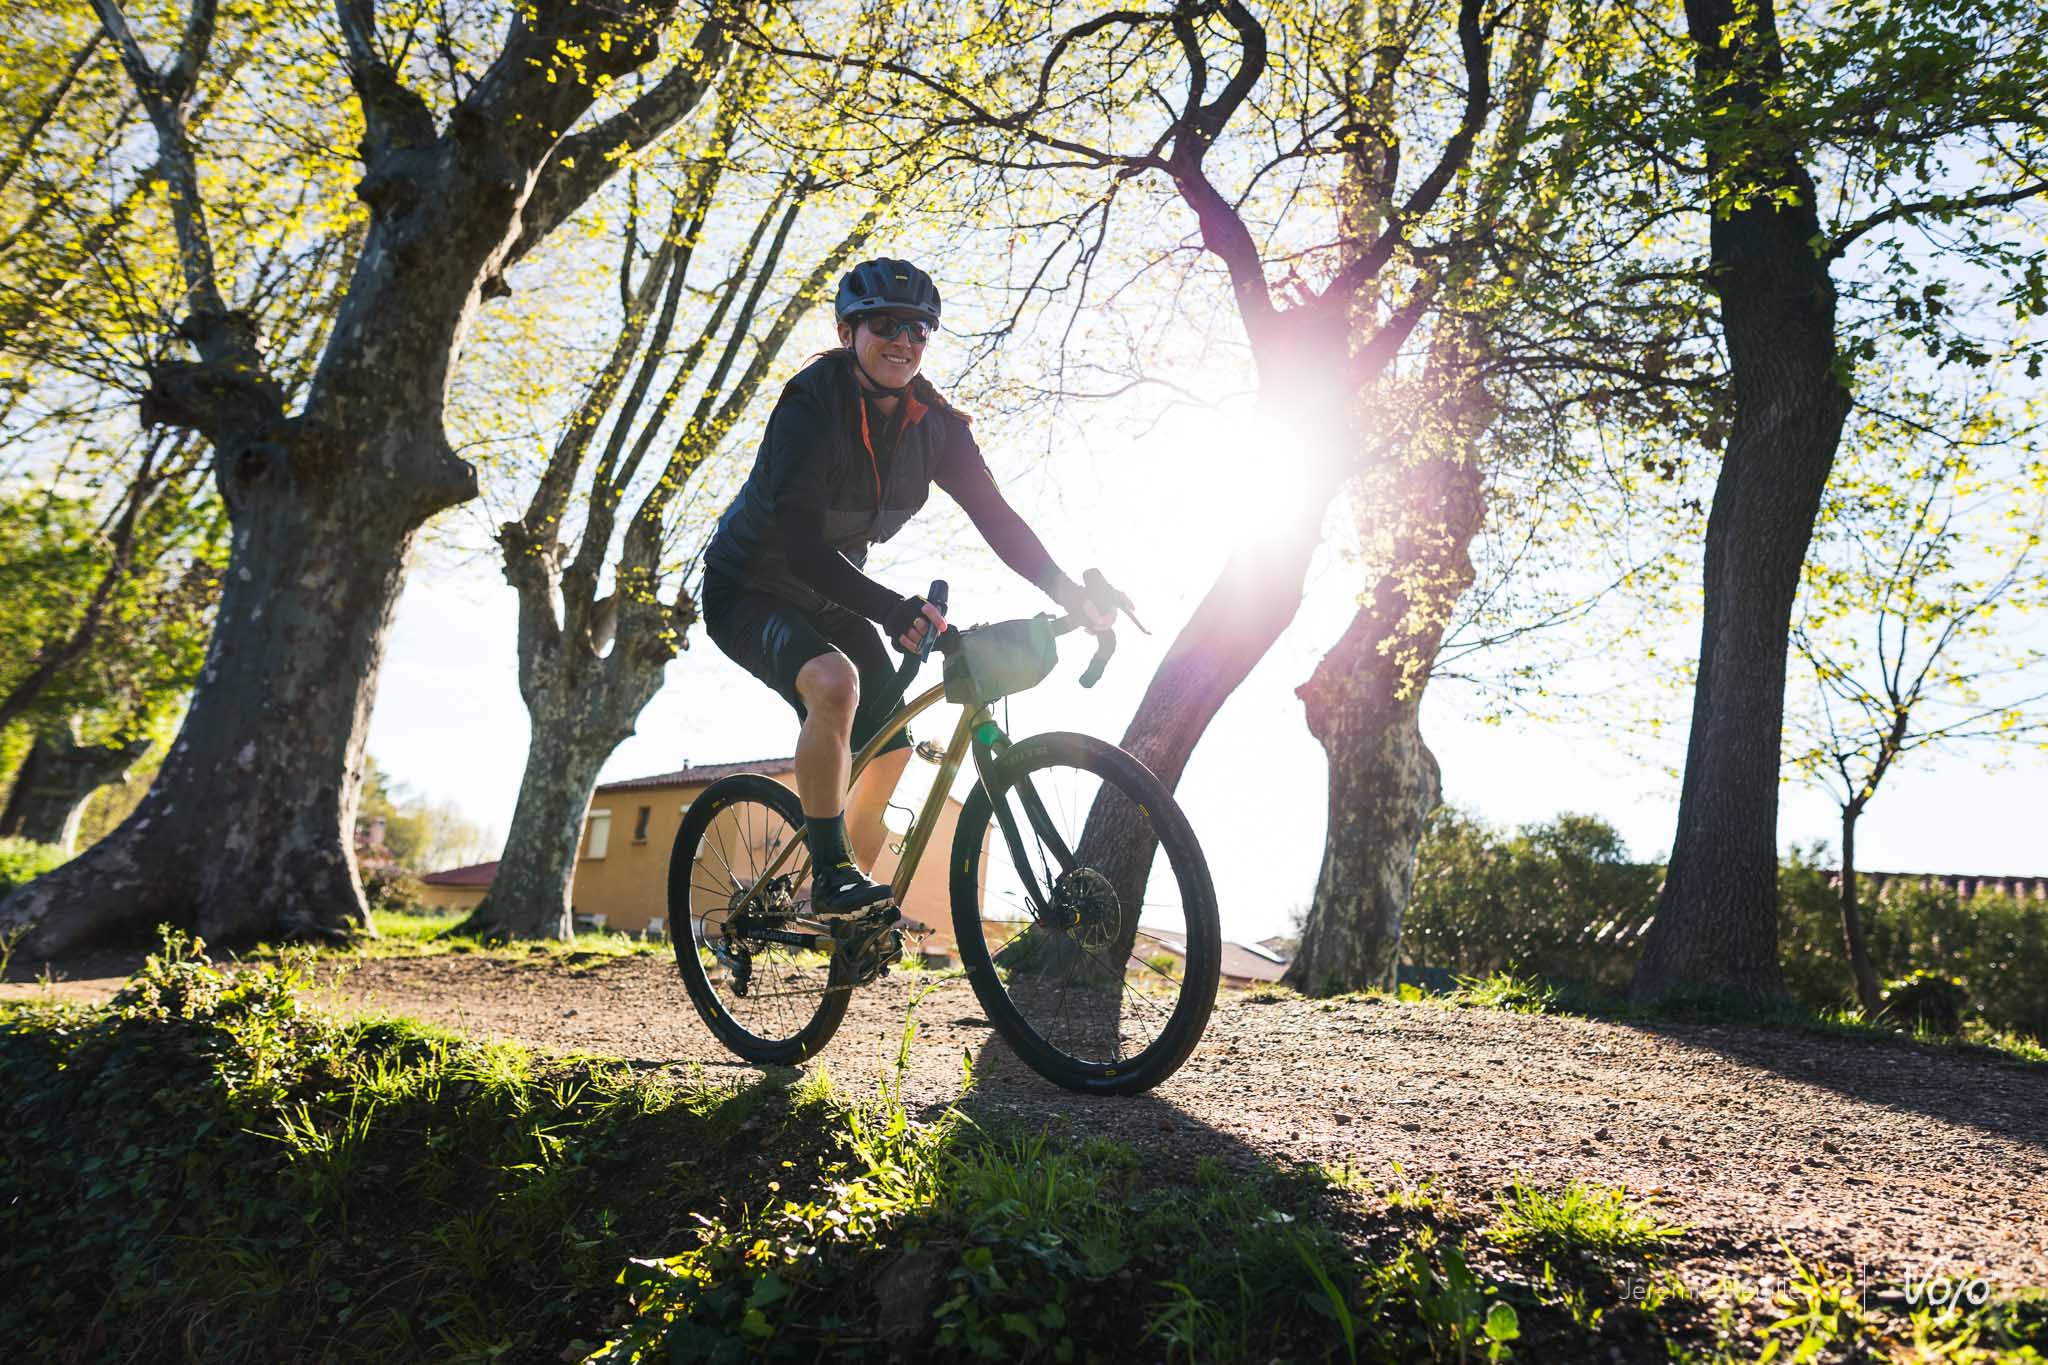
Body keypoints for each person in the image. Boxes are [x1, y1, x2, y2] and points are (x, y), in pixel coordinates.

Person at [701, 258, 1113, 919]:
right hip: (748, 586)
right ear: (847, 333)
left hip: (830, 590)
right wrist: (891, 609)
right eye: (885, 325)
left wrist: (1068, 592)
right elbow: (803, 547)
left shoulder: (936, 426)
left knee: (890, 742)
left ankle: (848, 914)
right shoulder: (811, 406)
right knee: (835, 685)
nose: (903, 340)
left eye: (919, 329)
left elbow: (998, 519)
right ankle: (832, 873)